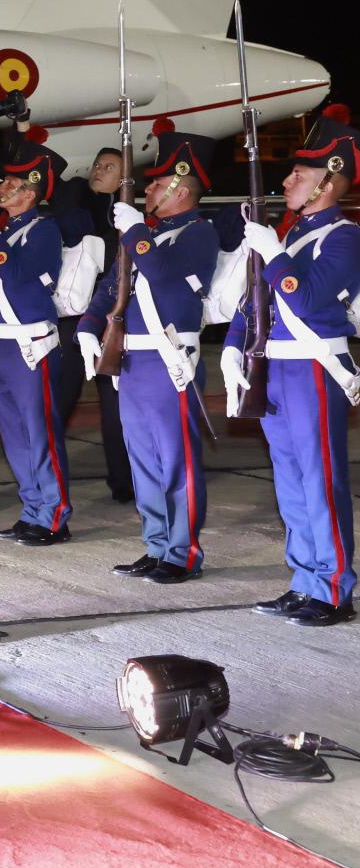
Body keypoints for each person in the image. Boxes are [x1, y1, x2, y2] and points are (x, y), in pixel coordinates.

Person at [225, 108, 360, 627]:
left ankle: (333, 590)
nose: (286, 182)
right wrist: (236, 345)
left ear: (327, 183)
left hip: (312, 370)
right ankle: (304, 579)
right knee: (288, 481)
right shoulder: (292, 236)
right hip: (276, 367)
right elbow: (252, 301)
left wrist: (274, 251)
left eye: (298, 176)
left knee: (320, 480)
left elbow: (302, 300)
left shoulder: (343, 238)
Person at [79, 120, 219, 585]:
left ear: (180, 187)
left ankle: (182, 552)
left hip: (170, 360)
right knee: (142, 459)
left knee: (175, 460)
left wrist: (138, 232)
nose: (149, 188)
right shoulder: (149, 232)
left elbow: (159, 273)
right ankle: (156, 544)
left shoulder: (198, 233)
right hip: (132, 361)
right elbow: (111, 288)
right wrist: (86, 326)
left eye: (157, 181)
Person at [0, 136, 74, 546]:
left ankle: (54, 515)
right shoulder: (10, 230)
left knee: (40, 433)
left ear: (29, 192)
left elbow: (21, 280)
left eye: (11, 184)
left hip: (31, 345)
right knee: (15, 434)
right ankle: (32, 508)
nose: (1, 189)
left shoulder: (43, 231)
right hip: (3, 342)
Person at [80, 146, 134, 501]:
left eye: (109, 167)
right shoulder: (78, 204)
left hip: (116, 322)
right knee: (110, 409)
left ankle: (128, 481)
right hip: (85, 318)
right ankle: (122, 479)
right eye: (97, 164)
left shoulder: (131, 218)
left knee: (120, 408)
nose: (99, 170)